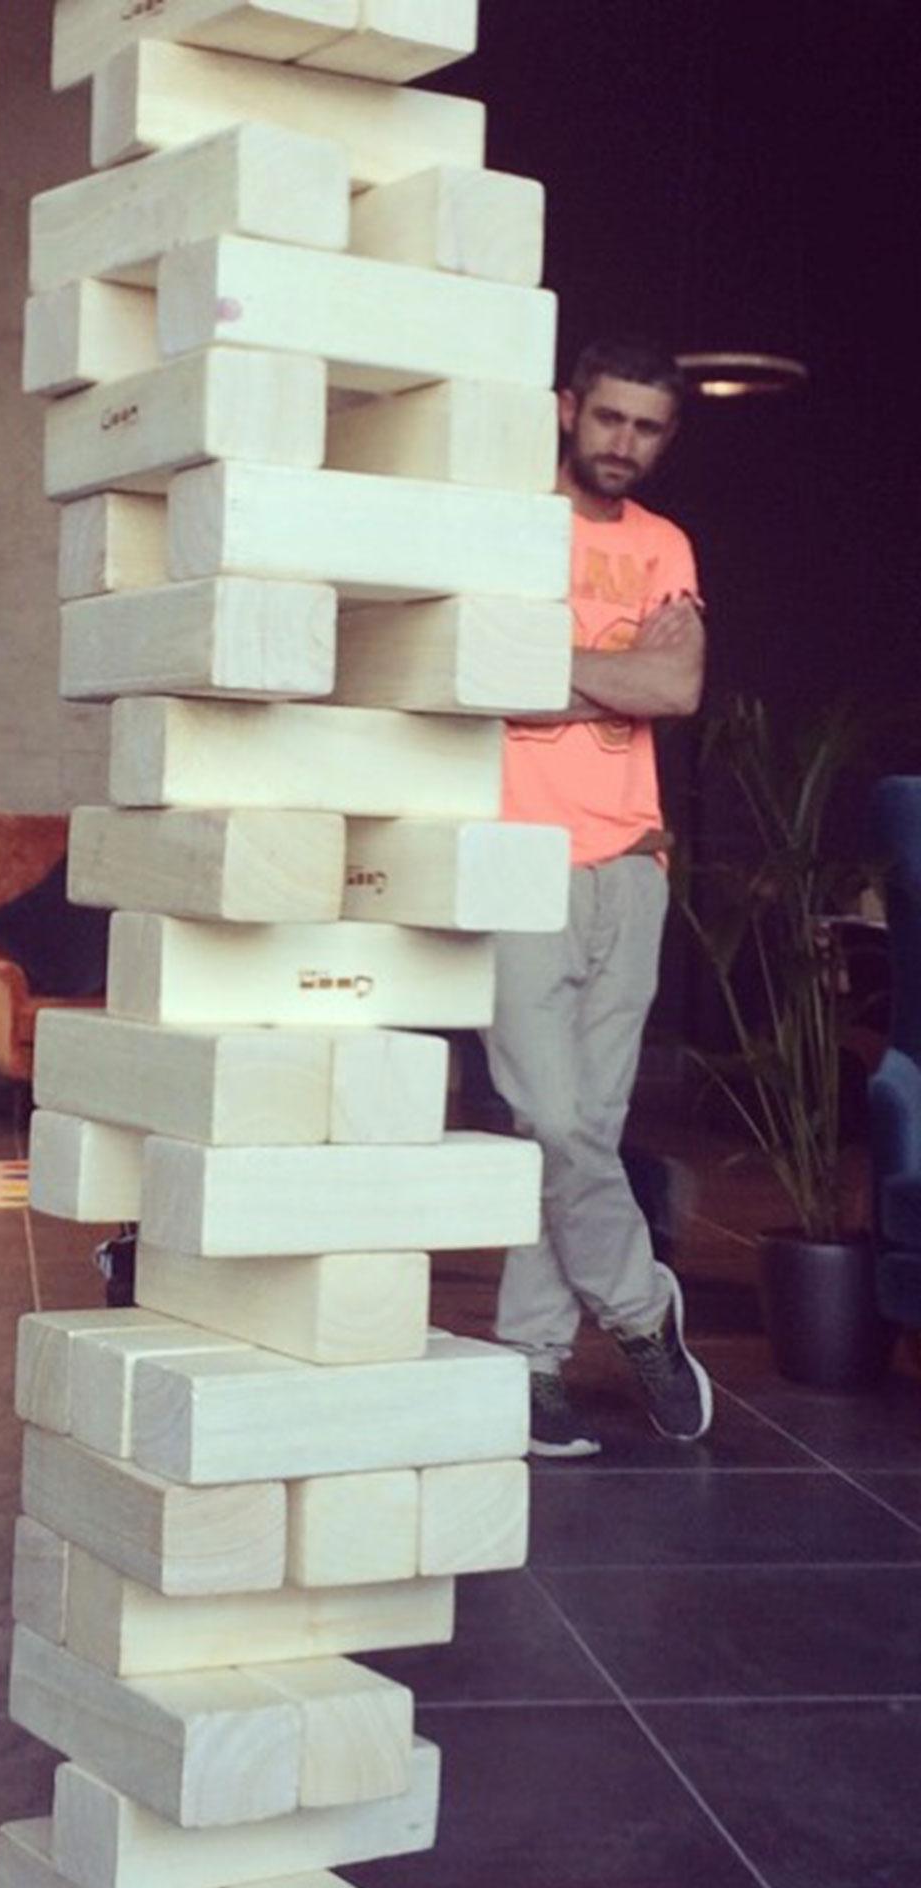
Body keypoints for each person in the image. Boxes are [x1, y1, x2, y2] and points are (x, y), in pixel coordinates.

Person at [489, 336, 712, 1458]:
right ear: (569, 409)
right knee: (550, 1115)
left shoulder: (667, 542)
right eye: (610, 418)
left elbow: (676, 682)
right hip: (519, 854)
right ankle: (639, 1308)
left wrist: (555, 664)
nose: (624, 443)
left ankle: (533, 1362)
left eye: (649, 427)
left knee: (589, 1124)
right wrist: (602, 670)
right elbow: (486, 665)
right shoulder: (510, 519)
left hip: (633, 864)